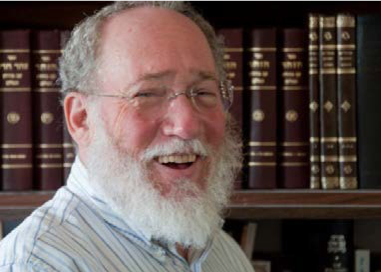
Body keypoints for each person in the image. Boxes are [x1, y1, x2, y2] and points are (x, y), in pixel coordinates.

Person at [0, 0, 254, 271]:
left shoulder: (224, 253)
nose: (187, 125)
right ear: (81, 119)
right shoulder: (38, 263)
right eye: (146, 94)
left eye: (203, 93)